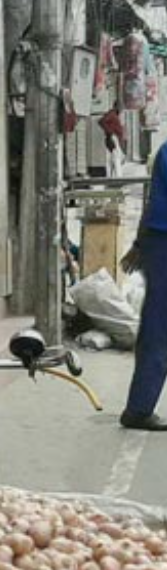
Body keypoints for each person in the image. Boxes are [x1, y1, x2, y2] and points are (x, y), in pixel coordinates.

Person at [119, 143, 167, 431]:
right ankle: (138, 408)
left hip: (157, 241)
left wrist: (139, 243)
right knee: (158, 327)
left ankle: (139, 406)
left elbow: (151, 201)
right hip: (163, 242)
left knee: (158, 325)